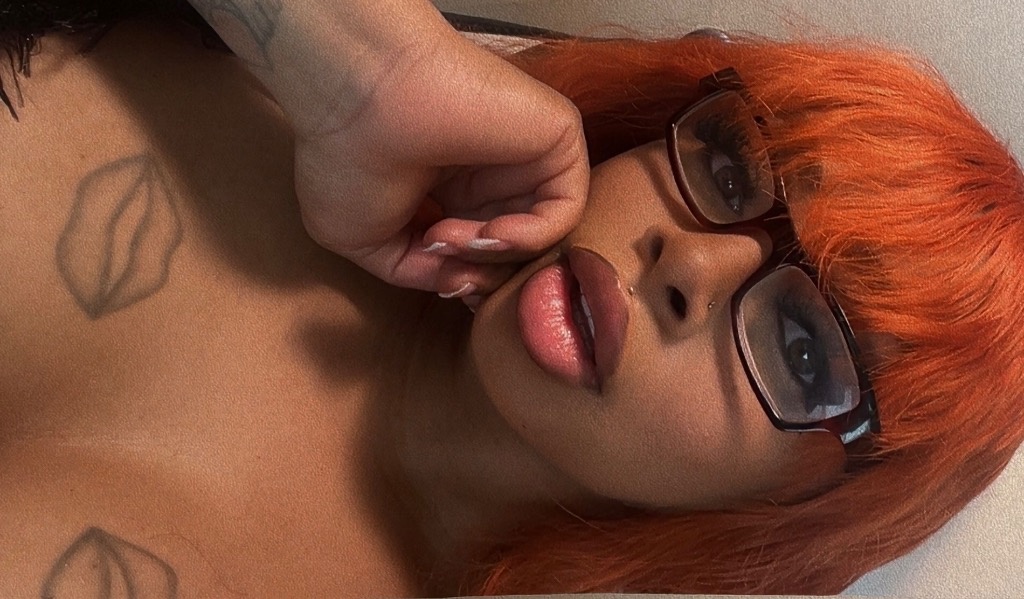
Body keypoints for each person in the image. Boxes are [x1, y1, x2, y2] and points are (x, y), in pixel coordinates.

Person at [1, 3, 1022, 599]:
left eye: (803, 350)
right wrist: (356, 62)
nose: (688, 264)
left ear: (803, 511)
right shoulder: (301, 89)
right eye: (728, 165)